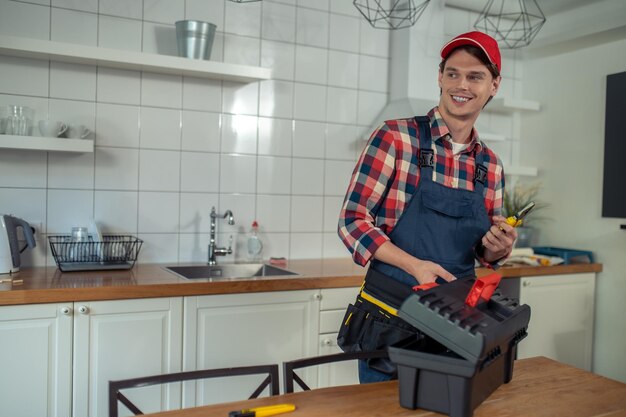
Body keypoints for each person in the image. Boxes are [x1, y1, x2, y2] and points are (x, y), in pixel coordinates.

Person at [336, 31, 518, 383]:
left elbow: (484, 252)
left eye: (475, 76)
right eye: (453, 73)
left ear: (494, 85)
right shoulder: (395, 138)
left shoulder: (490, 165)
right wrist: (415, 265)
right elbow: (352, 221)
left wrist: (499, 248)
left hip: (455, 326)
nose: (461, 84)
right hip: (388, 318)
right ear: (440, 76)